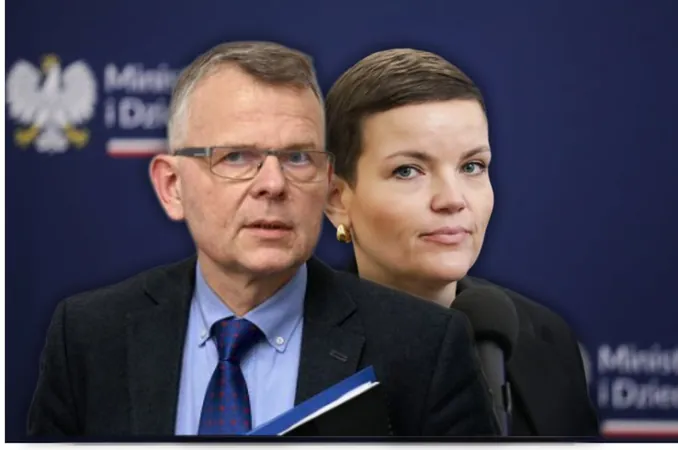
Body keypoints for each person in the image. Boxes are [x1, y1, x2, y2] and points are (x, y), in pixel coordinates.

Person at [27, 41, 499, 438]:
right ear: (172, 186)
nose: (273, 184)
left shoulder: (424, 347)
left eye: (298, 158)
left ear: (327, 183)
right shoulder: (90, 335)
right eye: (236, 157)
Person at [324, 48, 600, 437]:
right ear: (337, 199)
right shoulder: (295, 359)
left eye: (472, 166)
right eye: (408, 171)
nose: (453, 199)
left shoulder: (543, 337)